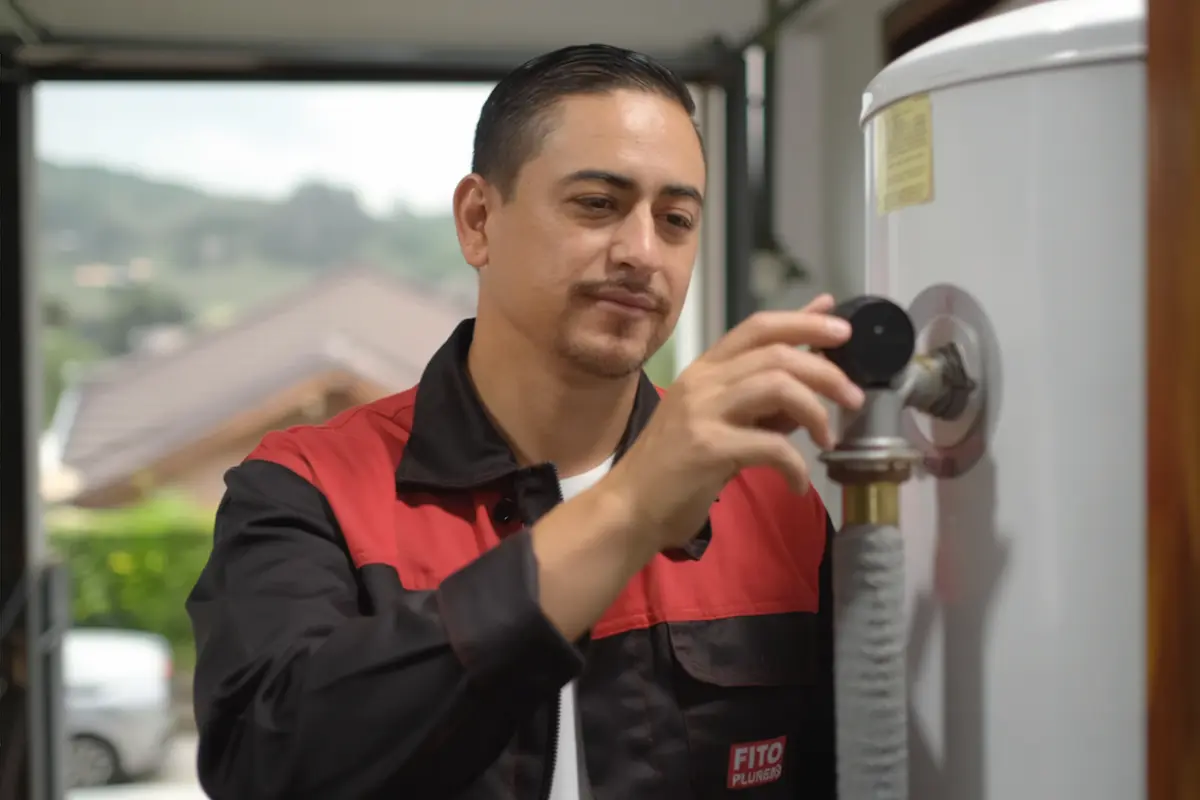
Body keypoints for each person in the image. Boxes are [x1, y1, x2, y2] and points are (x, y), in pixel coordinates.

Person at [187, 43, 864, 800]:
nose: (642, 251)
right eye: (597, 205)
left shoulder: (775, 502)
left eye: (675, 219)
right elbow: (262, 765)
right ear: (479, 220)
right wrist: (629, 510)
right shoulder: (308, 489)